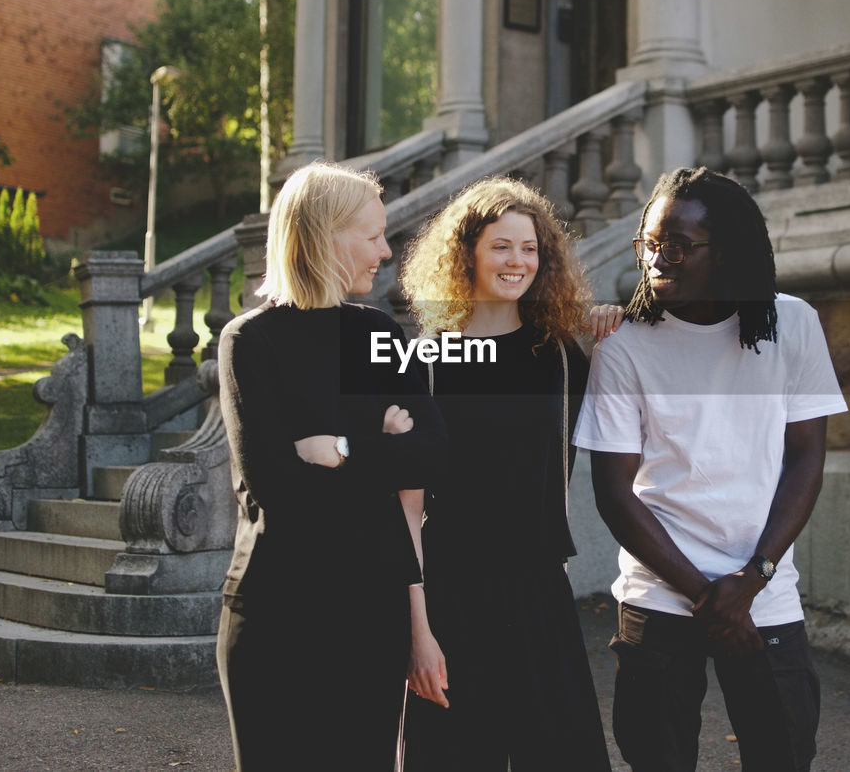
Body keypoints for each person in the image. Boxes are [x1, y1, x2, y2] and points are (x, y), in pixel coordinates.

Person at [573, 167, 847, 772]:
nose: (655, 260)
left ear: (724, 252)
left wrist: (752, 580)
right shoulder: (624, 346)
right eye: (648, 244)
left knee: (784, 752)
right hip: (661, 594)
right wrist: (710, 598)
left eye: (675, 247)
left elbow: (806, 457)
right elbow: (615, 493)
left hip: (763, 594)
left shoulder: (791, 324)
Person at [216, 162, 445, 770]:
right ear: (322, 236)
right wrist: (380, 440)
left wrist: (337, 448)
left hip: (370, 613)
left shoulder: (378, 331)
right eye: (372, 236)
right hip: (276, 612)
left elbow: (430, 454)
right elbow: (275, 485)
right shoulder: (249, 341)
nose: (386, 250)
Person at [396, 176, 614, 771]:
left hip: (538, 590)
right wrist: (418, 634)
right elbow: (407, 511)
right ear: (466, 252)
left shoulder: (562, 358)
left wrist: (619, 326)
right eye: (501, 246)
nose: (517, 261)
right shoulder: (428, 362)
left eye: (530, 248)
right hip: (450, 597)